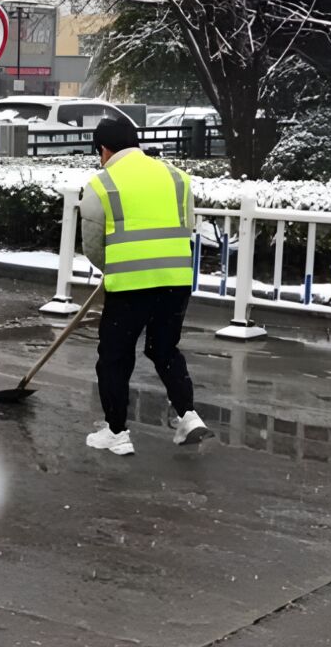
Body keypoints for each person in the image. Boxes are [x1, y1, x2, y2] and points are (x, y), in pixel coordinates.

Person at [79, 118, 213, 456]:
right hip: (176, 280)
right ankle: (188, 415)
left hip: (129, 286)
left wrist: (113, 267)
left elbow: (93, 243)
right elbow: (187, 224)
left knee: (114, 356)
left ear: (104, 149)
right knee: (165, 350)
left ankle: (116, 431)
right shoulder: (176, 177)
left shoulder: (100, 184)